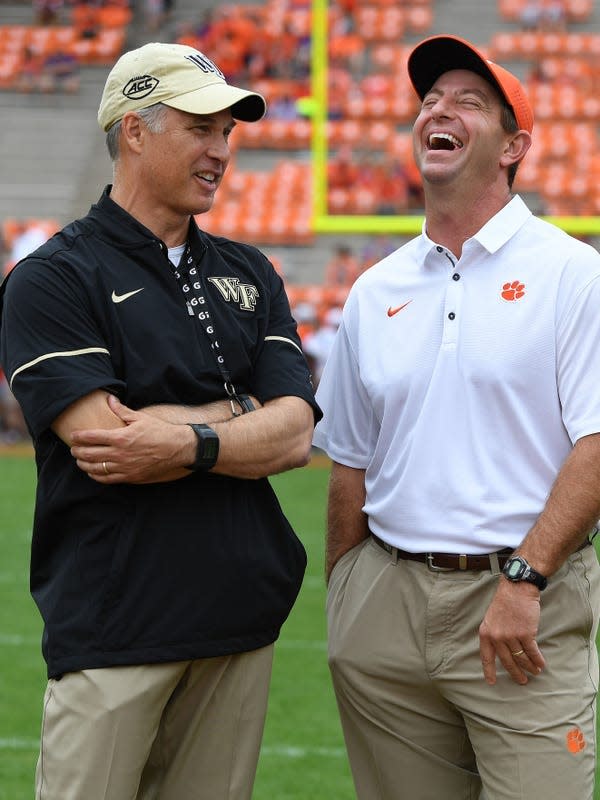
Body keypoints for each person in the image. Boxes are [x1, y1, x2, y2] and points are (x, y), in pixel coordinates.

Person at [0, 42, 319, 800]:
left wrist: (182, 433)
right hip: (116, 627)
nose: (220, 151)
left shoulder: (250, 270)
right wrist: (238, 415)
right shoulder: (52, 276)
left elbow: (296, 434)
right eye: (200, 127)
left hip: (238, 624)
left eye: (227, 134)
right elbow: (105, 441)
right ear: (135, 130)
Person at [313, 34, 600, 800]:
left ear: (515, 147)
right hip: (388, 604)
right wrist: (348, 600)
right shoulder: (375, 288)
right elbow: (350, 459)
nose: (439, 109)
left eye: (468, 101)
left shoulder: (572, 273)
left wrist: (524, 579)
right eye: (430, 100)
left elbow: (597, 444)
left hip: (518, 603)